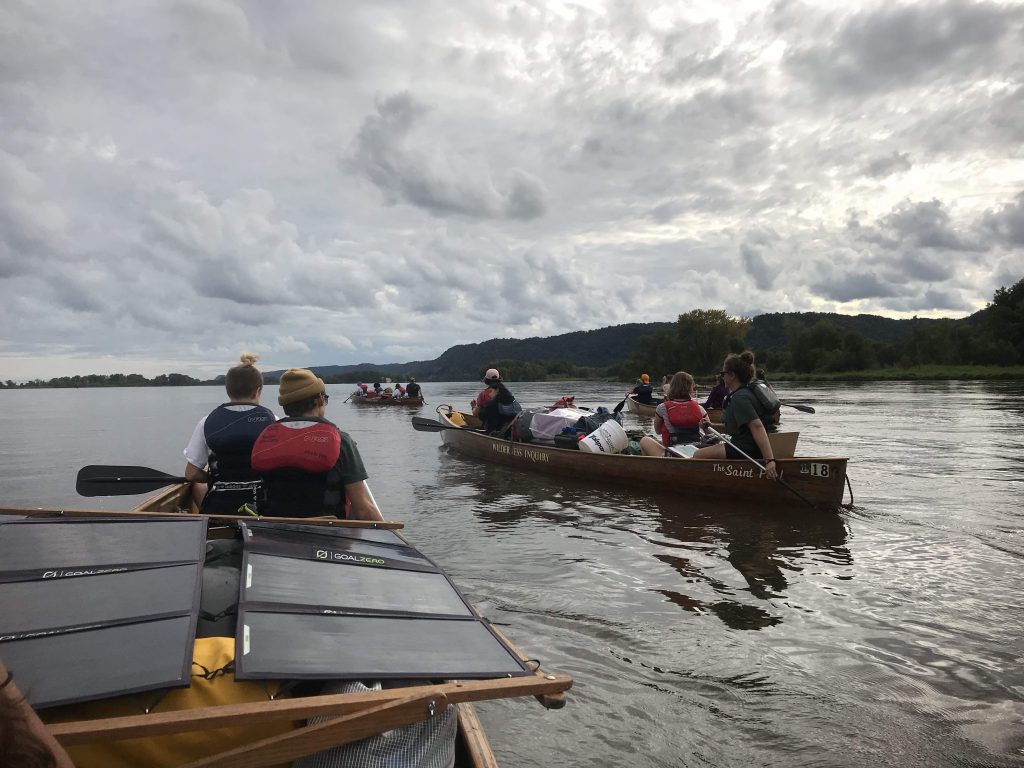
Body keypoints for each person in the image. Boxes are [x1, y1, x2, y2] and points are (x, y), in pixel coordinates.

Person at [251, 368, 383, 520]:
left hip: (274, 535)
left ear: (285, 405)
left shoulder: (267, 439)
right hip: (328, 538)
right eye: (325, 398)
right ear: (320, 399)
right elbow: (364, 510)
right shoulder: (342, 441)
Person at [183, 353, 276, 514]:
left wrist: (211, 478)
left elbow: (191, 474)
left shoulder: (206, 422)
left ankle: (210, 527)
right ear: (258, 391)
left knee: (196, 485)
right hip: (261, 507)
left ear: (228, 391)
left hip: (220, 508)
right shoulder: (273, 421)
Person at [693, 351, 779, 480]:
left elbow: (757, 427)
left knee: (697, 455)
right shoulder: (746, 393)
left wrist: (770, 460)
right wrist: (711, 426)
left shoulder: (740, 398)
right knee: (706, 448)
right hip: (747, 446)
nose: (722, 377)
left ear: (732, 375)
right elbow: (740, 428)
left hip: (745, 449)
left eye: (723, 374)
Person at [640, 371, 709, 456]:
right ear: (690, 388)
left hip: (673, 454)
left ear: (672, 386)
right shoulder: (699, 408)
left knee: (645, 440)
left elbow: (658, 431)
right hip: (696, 452)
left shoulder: (662, 408)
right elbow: (709, 434)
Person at [472, 369, 520, 434]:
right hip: (509, 427)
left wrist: (473, 406)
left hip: (492, 426)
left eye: (491, 391)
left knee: (483, 412)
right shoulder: (509, 395)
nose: (490, 393)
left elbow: (475, 414)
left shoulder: (484, 395)